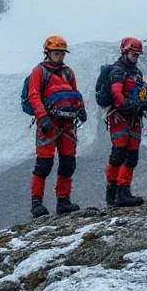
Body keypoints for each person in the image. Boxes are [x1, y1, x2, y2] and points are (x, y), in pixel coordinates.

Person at [26, 36, 86, 218]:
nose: (59, 56)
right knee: (44, 164)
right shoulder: (39, 71)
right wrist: (42, 117)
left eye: (61, 53)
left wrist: (81, 109)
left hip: (67, 124)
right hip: (49, 124)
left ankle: (63, 200)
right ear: (48, 53)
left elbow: (76, 93)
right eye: (56, 53)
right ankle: (36, 203)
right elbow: (34, 96)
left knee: (68, 163)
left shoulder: (68, 72)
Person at [106, 37, 147, 207]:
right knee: (118, 153)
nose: (136, 57)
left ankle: (123, 190)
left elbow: (142, 92)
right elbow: (116, 92)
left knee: (132, 155)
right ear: (126, 51)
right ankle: (112, 190)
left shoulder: (136, 72)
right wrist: (126, 105)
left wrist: (145, 107)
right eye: (134, 54)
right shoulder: (118, 71)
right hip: (120, 116)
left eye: (138, 55)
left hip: (134, 116)